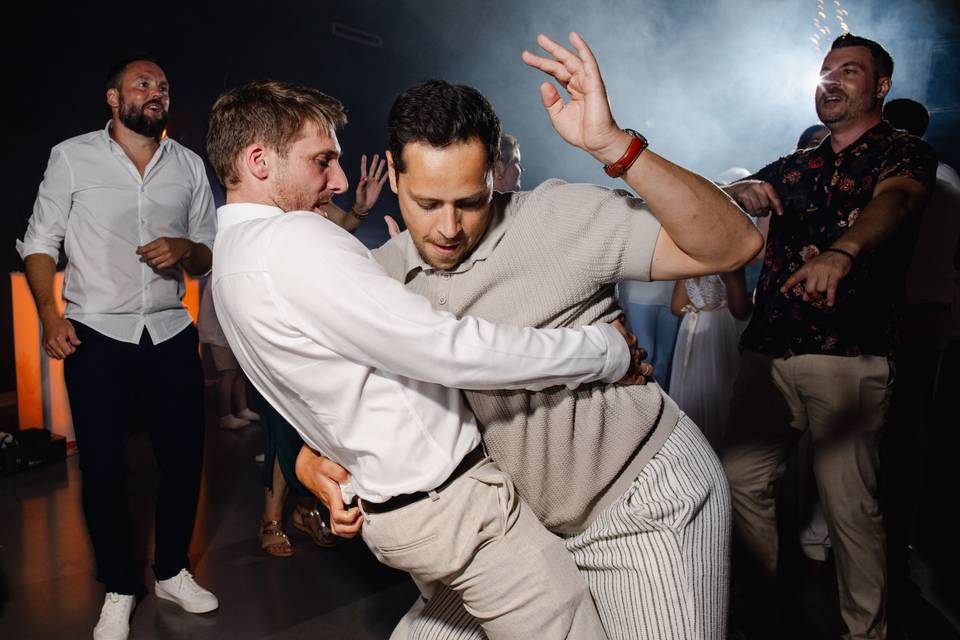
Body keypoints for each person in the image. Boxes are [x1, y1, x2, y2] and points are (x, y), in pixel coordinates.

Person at [301, 32, 763, 640]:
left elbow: (735, 244)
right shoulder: (377, 278)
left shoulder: (556, 217)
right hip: (513, 532)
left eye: (470, 202)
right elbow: (340, 405)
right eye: (427, 202)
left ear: (494, 173)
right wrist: (313, 462)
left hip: (639, 503)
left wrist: (616, 146)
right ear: (393, 171)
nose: (448, 228)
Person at [206, 78, 649, 640]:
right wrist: (604, 351)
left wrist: (309, 463)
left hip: (399, 515)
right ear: (259, 161)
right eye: (322, 161)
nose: (338, 181)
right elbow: (447, 348)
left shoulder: (232, 261)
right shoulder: (290, 240)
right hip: (454, 510)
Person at [720, 34, 937, 639]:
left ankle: (865, 632)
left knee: (850, 507)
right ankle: (761, 616)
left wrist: (844, 251)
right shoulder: (796, 163)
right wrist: (735, 193)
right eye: (826, 70)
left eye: (849, 70)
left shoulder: (903, 152)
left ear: (881, 87)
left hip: (849, 355)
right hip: (769, 352)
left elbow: (897, 201)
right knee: (740, 479)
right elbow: (728, 195)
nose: (832, 80)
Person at [17, 55, 219, 640]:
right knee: (104, 469)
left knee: (183, 459)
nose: (157, 92)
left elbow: (208, 251)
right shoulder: (71, 156)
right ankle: (119, 586)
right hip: (96, 335)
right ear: (113, 97)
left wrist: (185, 248)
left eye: (164, 86)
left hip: (170, 332)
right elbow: (40, 242)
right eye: (143, 84)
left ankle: (173, 570)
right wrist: (50, 316)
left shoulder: (189, 165)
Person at [257, 152, 389, 557]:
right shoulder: (267, 205)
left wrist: (361, 209)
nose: (334, 178)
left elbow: (338, 225)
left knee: (309, 428)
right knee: (281, 427)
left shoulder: (313, 200)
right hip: (277, 328)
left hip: (316, 326)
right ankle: (271, 519)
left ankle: (304, 510)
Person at [881, 97, 960, 633]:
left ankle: (877, 548)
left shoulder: (899, 174)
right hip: (932, 310)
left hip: (892, 313)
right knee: (909, 427)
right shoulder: (950, 175)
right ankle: (897, 546)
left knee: (876, 429)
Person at [668, 267, 752, 450]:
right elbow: (739, 309)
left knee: (695, 390)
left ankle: (694, 448)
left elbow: (676, 306)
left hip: (693, 327)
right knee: (723, 390)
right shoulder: (730, 260)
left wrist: (699, 304)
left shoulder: (689, 259)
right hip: (720, 328)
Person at [198, 276, 260, 429]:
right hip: (218, 334)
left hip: (227, 333)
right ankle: (225, 416)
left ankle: (242, 410)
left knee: (239, 372)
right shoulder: (217, 277)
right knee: (228, 373)